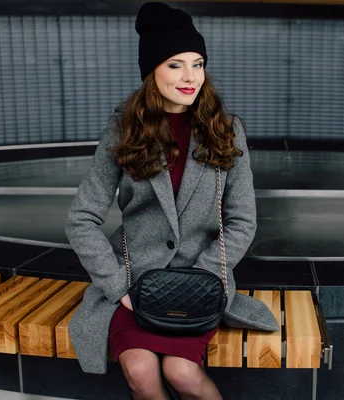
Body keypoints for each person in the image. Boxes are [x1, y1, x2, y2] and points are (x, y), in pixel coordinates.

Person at [65, 3, 279, 399]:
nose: (190, 77)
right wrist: (118, 286)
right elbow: (81, 218)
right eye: (175, 64)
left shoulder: (226, 130)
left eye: (197, 64)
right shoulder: (123, 129)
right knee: (141, 369)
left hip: (203, 280)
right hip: (136, 284)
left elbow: (242, 220)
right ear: (152, 71)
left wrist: (205, 276)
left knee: (182, 372)